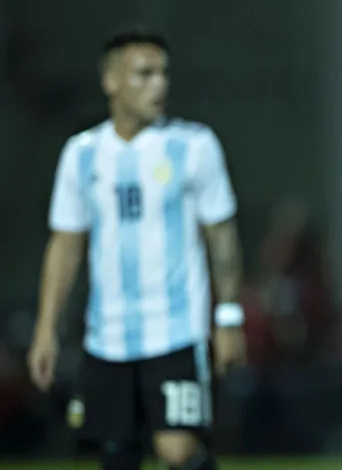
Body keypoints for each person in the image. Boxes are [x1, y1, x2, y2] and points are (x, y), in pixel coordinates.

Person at [27, 29, 247, 470]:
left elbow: (221, 237)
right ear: (111, 81)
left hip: (175, 332)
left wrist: (228, 317)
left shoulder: (194, 145)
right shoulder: (82, 154)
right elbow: (66, 244)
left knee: (176, 449)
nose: (159, 84)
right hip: (105, 336)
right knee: (115, 455)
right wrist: (46, 327)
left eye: (163, 73)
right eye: (144, 74)